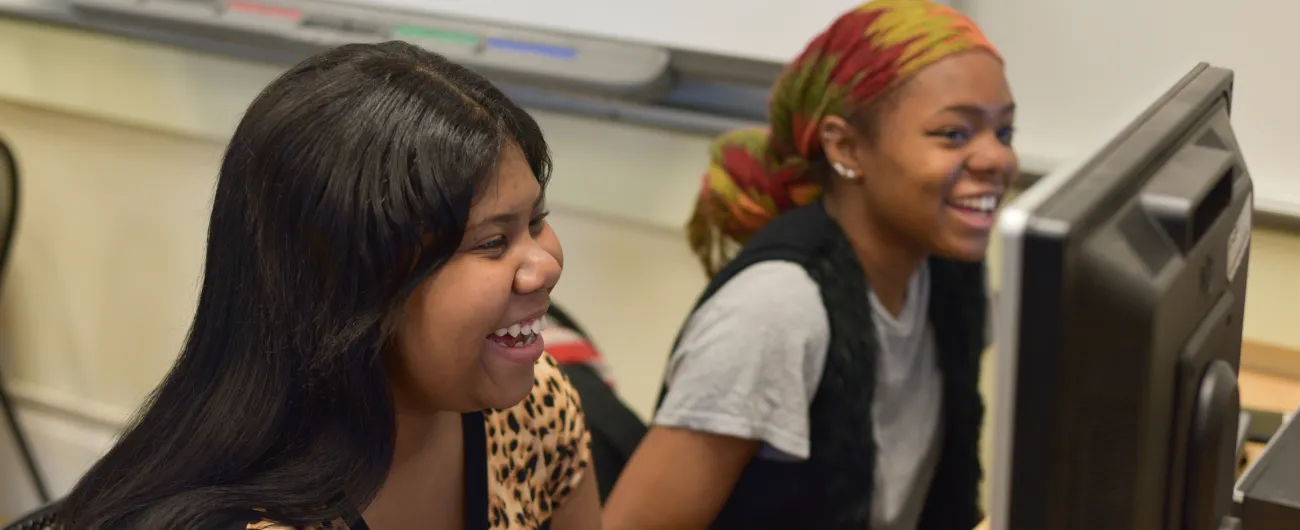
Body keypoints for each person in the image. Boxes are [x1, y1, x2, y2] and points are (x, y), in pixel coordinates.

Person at [55, 42, 599, 530]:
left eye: (536, 222)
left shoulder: (535, 410)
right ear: (354, 289)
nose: (545, 266)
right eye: (492, 242)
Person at [602, 1, 1015, 529]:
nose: (997, 159)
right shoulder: (775, 313)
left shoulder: (946, 273)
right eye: (954, 134)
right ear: (846, 148)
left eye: (1004, 133)